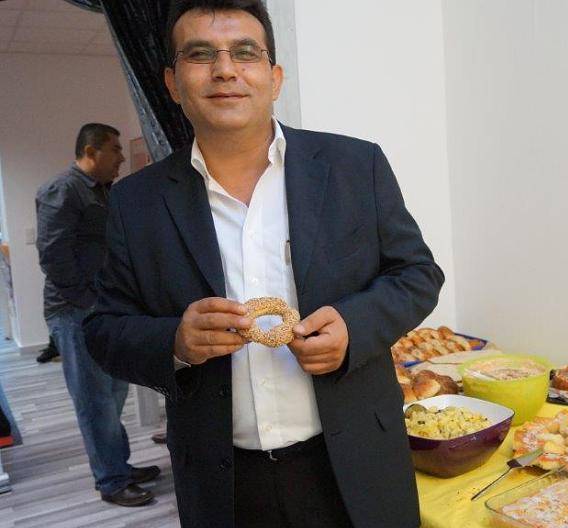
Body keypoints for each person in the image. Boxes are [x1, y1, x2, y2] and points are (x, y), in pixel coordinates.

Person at [83, 1, 444, 527]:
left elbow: (418, 274)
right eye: (200, 54)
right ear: (172, 83)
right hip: (222, 481)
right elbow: (103, 330)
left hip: (356, 463)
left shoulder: (354, 166)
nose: (225, 69)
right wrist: (175, 342)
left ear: (274, 78)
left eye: (245, 52)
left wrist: (354, 325)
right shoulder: (136, 202)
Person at [35, 123, 161, 506]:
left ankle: (118, 464)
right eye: (115, 150)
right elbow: (53, 255)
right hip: (75, 312)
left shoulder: (102, 191)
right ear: (91, 152)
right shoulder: (63, 190)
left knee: (114, 392)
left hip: (103, 308)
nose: (122, 158)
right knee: (95, 401)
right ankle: (111, 481)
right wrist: (87, 301)